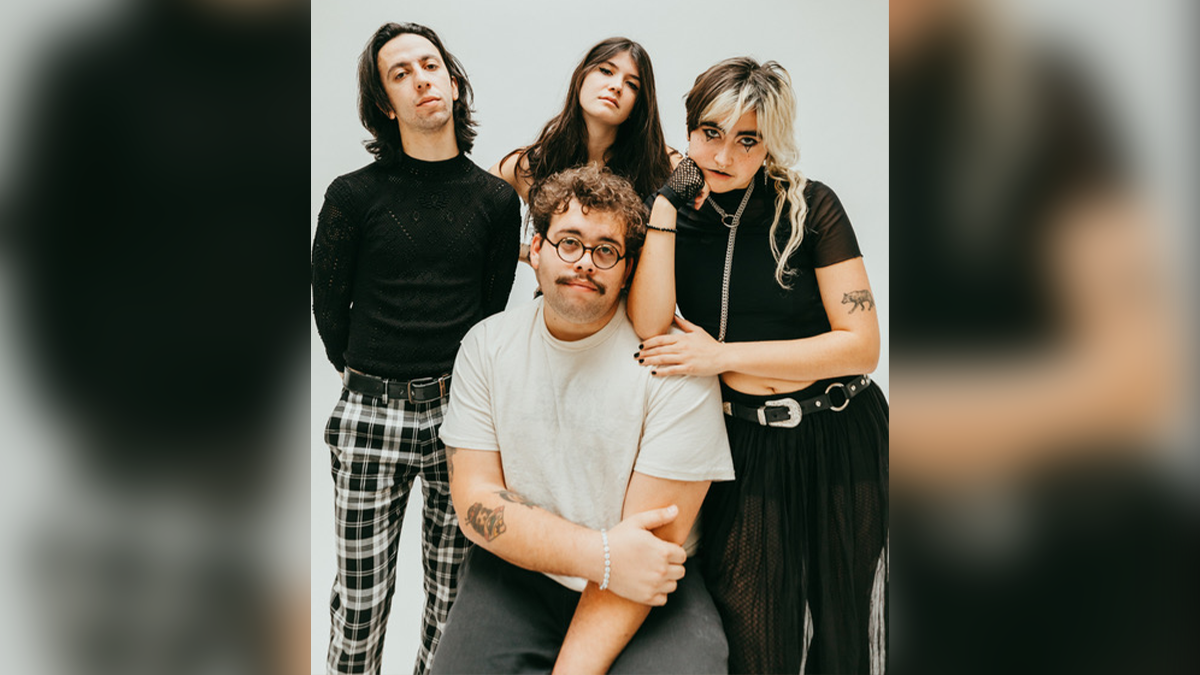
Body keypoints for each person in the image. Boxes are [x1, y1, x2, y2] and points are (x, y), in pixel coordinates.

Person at [627, 58, 889, 674]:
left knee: (845, 631)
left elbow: (861, 344)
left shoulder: (811, 206)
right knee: (756, 636)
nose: (725, 155)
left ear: (770, 142)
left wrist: (722, 356)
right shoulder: (672, 214)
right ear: (688, 130)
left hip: (841, 432)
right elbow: (649, 324)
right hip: (743, 442)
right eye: (711, 133)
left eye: (748, 140)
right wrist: (663, 206)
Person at [432, 164, 735, 674]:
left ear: (628, 268)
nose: (585, 263)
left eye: (606, 250)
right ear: (536, 249)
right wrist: (602, 555)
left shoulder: (672, 364)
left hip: (651, 584)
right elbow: (477, 501)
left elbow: (648, 551)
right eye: (569, 242)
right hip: (524, 569)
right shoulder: (487, 346)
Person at [311, 22, 520, 675]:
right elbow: (329, 310)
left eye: (430, 66)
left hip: (462, 423)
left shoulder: (496, 200)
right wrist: (375, 379)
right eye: (400, 73)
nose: (421, 80)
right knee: (360, 606)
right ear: (384, 102)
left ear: (453, 84)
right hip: (369, 414)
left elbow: (489, 315)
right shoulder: (352, 196)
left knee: (453, 606)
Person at [490, 37, 678, 261]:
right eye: (606, 71)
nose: (617, 86)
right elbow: (474, 206)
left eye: (632, 85)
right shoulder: (535, 162)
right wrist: (530, 254)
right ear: (581, 77)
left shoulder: (661, 161)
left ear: (638, 105)